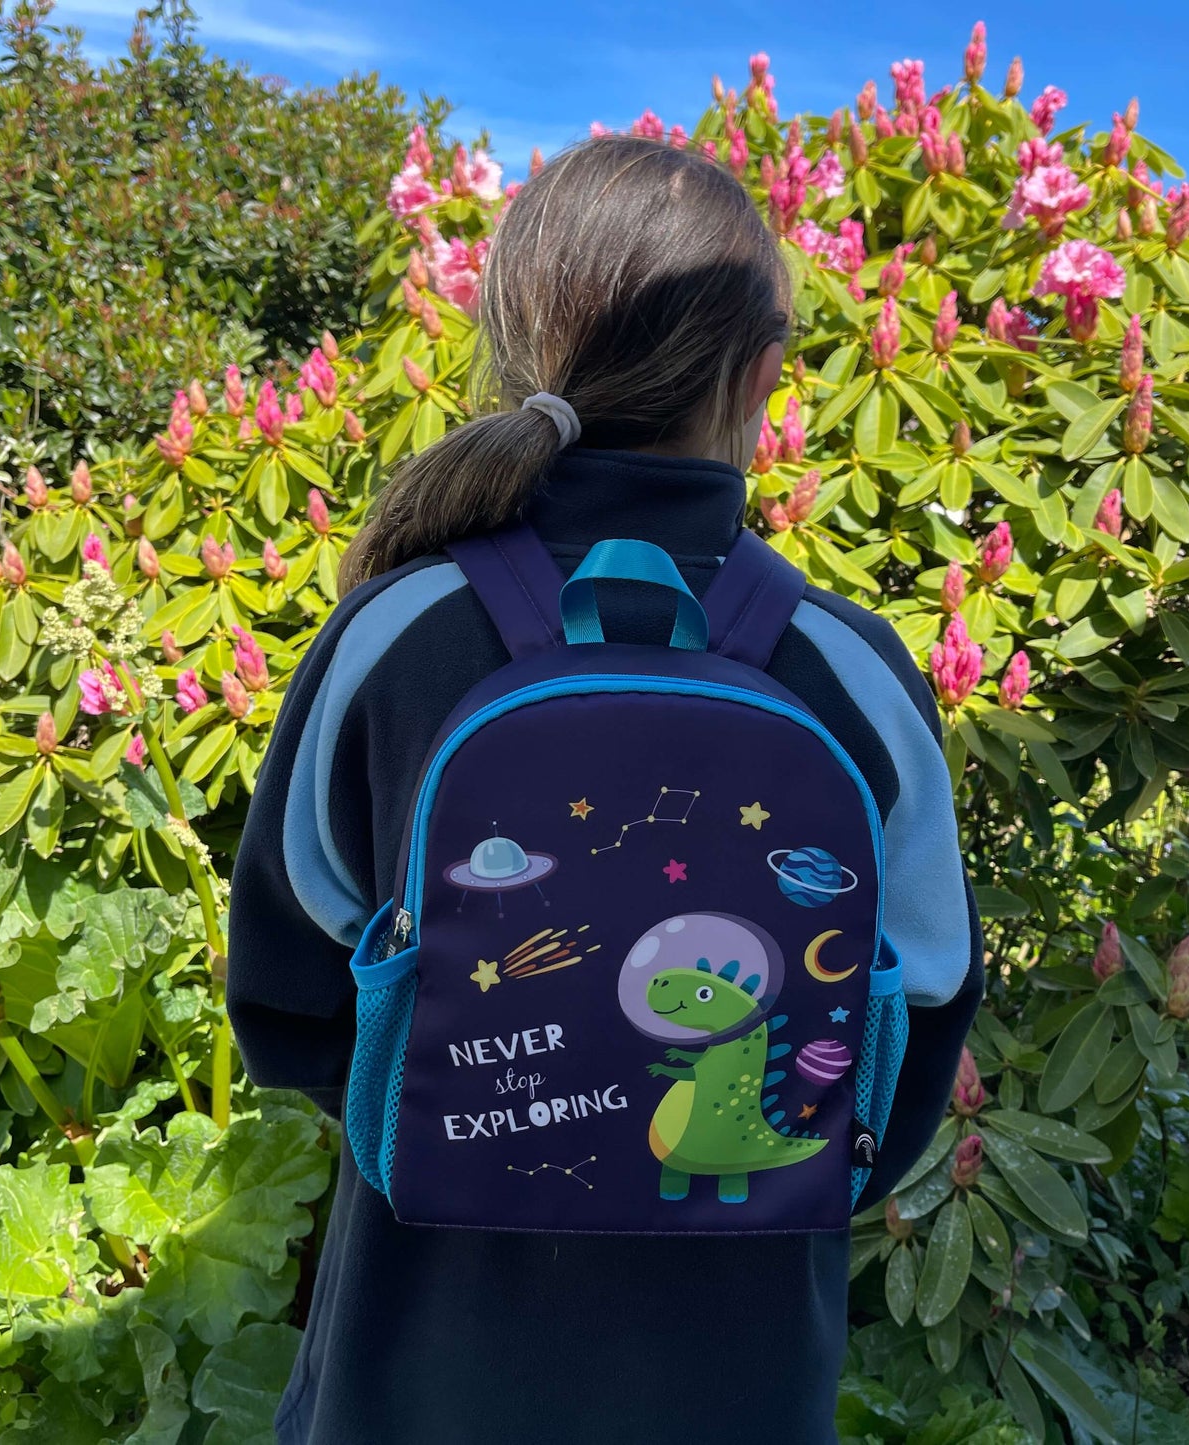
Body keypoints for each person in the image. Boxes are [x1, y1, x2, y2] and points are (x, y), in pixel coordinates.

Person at [227, 132, 984, 1445]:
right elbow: (915, 1010)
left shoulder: (392, 634)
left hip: (415, 1362)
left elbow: (291, 999)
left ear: (515, 350)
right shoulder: (847, 667)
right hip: (735, 1369)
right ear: (762, 379)